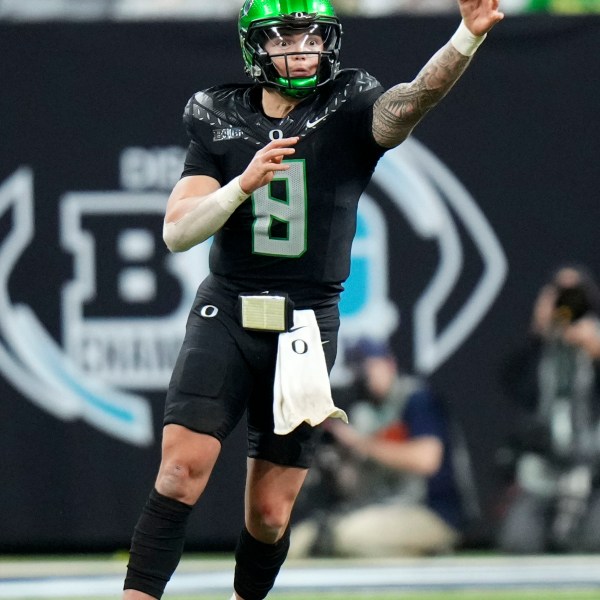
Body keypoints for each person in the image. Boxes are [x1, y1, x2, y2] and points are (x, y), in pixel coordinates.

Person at [122, 1, 504, 598]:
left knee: (270, 513)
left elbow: (410, 103)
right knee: (179, 471)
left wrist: (465, 39)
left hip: (304, 321)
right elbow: (176, 232)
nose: (304, 48)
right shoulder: (215, 112)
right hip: (227, 309)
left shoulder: (349, 100)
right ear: (257, 47)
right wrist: (240, 187)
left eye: (312, 35)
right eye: (288, 36)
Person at [288, 338, 473, 558]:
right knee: (297, 542)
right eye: (358, 366)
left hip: (432, 511)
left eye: (369, 364)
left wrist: (359, 443)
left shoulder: (416, 399)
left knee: (348, 536)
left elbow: (427, 460)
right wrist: (335, 464)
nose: (363, 373)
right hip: (378, 509)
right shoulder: (362, 412)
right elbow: (354, 488)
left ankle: (429, 556)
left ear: (389, 364)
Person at [496, 265, 600, 553]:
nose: (568, 302)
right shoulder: (539, 350)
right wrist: (539, 337)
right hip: (545, 469)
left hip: (593, 469)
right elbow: (514, 387)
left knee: (594, 541)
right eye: (561, 294)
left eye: (575, 294)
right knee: (518, 542)